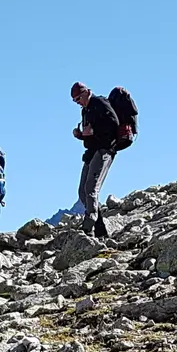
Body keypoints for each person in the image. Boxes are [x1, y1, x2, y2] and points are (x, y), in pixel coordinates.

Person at [70, 83, 122, 237]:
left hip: (104, 150)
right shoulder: (86, 110)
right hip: (92, 152)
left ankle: (88, 226)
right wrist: (81, 135)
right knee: (82, 191)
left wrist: (93, 130)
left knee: (91, 188)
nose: (78, 102)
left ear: (86, 93)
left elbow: (114, 123)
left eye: (78, 98)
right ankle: (100, 230)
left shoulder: (100, 103)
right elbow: (90, 134)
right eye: (75, 101)